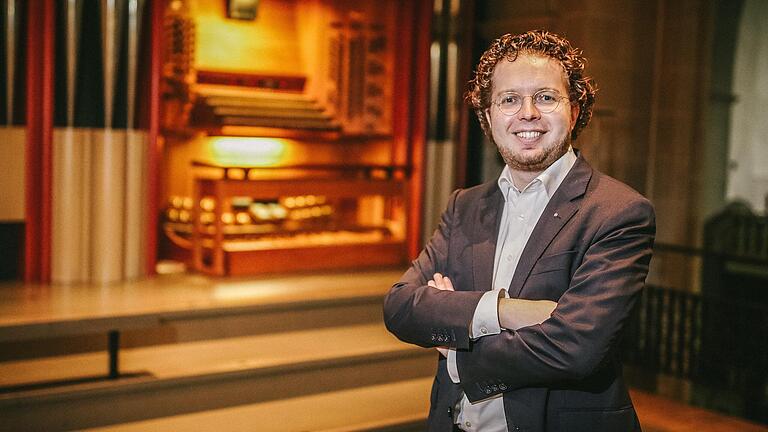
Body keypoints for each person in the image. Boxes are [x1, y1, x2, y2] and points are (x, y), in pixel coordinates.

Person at [383, 29, 655, 432]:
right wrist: (504, 310)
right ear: (489, 117)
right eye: (509, 99)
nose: (527, 112)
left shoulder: (619, 211)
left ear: (574, 110)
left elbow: (575, 347)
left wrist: (458, 345)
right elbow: (401, 306)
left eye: (545, 97)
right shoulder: (465, 205)